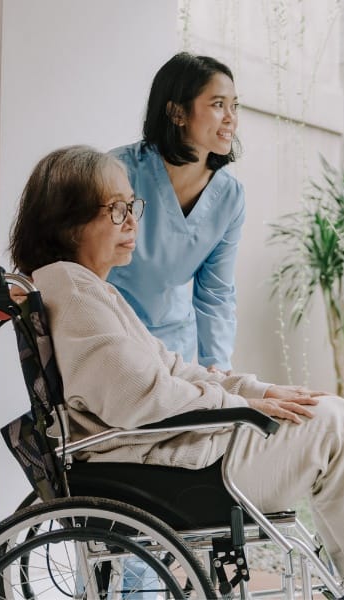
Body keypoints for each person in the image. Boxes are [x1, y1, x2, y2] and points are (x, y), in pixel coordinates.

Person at [8, 145, 344, 600]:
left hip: (166, 453)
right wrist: (242, 405)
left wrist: (259, 390)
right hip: (164, 467)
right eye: (114, 210)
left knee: (326, 414)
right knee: (333, 423)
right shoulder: (75, 291)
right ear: (68, 223)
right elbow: (140, 396)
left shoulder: (83, 288)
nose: (130, 221)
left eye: (131, 207)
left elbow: (174, 369)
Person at [108, 52, 244, 373]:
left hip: (175, 350)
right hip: (111, 337)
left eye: (234, 106)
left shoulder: (230, 196)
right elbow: (75, 257)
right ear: (177, 112)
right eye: (217, 104)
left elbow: (216, 292)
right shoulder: (117, 171)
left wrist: (218, 366)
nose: (231, 117)